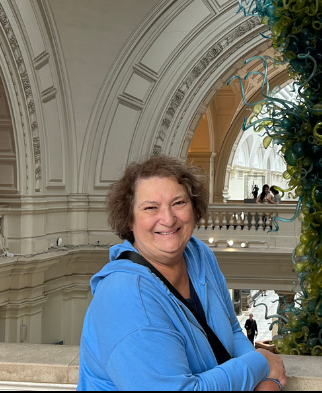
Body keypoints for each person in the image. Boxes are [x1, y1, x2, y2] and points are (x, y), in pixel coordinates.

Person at [78, 155, 286, 391]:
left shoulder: (199, 254)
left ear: (194, 207)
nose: (168, 219)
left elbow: (233, 330)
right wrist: (258, 364)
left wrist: (263, 378)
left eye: (179, 203)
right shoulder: (124, 297)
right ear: (129, 220)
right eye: (150, 207)